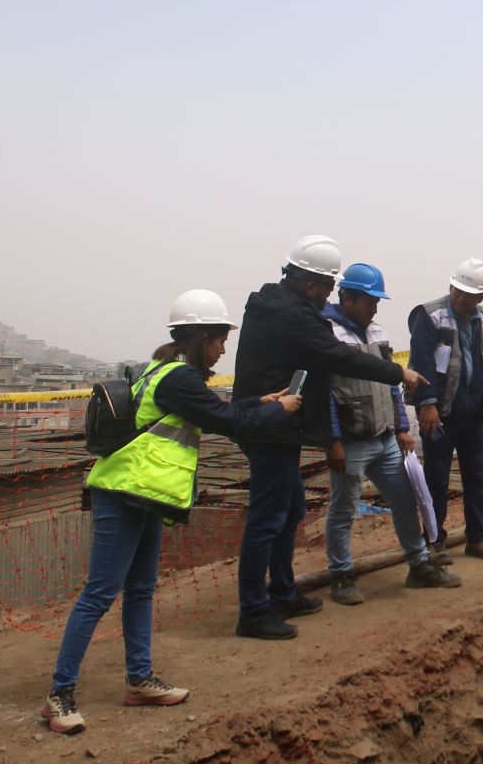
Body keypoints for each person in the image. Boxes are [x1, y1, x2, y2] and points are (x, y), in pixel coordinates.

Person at [43, 291, 301, 736]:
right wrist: (278, 412)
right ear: (200, 337)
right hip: (125, 490)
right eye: (219, 339)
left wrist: (259, 402)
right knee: (100, 593)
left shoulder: (165, 372)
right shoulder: (180, 378)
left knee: (141, 589)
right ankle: (59, 694)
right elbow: (231, 424)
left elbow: (215, 412)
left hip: (144, 493)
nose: (223, 348)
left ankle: (140, 680)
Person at [231, 236, 426, 641]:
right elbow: (337, 357)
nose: (329, 295)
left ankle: (283, 592)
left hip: (281, 424)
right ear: (310, 285)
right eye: (327, 288)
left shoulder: (276, 303)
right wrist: (397, 373)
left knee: (290, 510)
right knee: (267, 520)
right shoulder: (294, 316)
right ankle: (253, 611)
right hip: (268, 426)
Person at [320, 264, 461, 603]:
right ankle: (341, 575)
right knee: (343, 510)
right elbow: (322, 393)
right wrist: (333, 440)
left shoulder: (377, 332)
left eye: (376, 301)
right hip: (351, 441)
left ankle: (419, 565)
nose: (375, 308)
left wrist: (400, 427)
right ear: (347, 297)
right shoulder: (327, 333)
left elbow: (392, 384)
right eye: (369, 301)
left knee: (404, 500)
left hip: (384, 438)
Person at [409, 258, 483, 562]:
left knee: (477, 477)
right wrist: (427, 404)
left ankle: (478, 538)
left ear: (481, 297)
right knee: (436, 479)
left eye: (468, 294)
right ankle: (433, 540)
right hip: (439, 414)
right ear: (451, 286)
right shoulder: (430, 316)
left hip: (474, 413)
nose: (460, 297)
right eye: (457, 290)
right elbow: (423, 361)